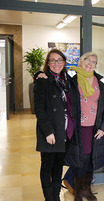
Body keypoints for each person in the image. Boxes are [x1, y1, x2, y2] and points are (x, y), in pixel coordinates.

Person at [65, 52, 104, 201]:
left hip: (96, 128)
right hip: (79, 128)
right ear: (81, 61)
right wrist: (41, 74)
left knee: (92, 159)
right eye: (87, 60)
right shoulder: (71, 80)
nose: (90, 63)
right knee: (81, 159)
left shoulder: (101, 82)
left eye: (93, 62)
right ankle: (79, 191)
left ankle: (87, 190)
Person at [34, 49, 75, 201]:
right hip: (50, 132)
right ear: (48, 63)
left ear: (64, 62)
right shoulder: (43, 80)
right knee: (47, 167)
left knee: (58, 166)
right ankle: (49, 198)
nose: (56, 63)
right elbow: (39, 109)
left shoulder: (67, 80)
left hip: (64, 132)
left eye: (59, 60)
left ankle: (56, 196)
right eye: (53, 60)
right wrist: (48, 132)